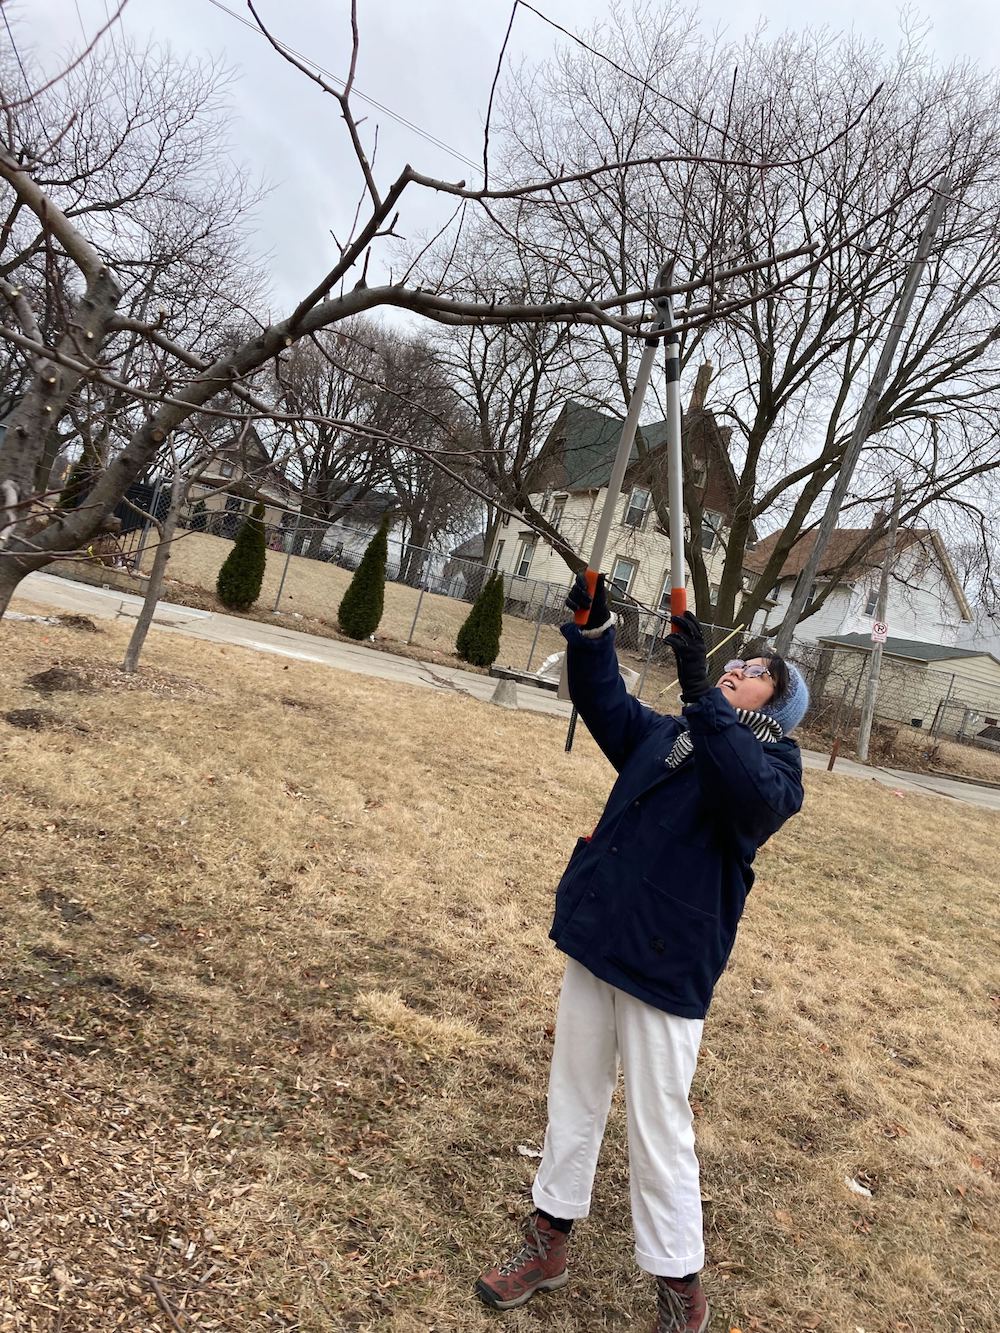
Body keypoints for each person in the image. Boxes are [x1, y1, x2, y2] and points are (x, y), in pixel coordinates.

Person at [476, 574, 809, 1332]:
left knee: (659, 1129)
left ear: (779, 709)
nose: (739, 668)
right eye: (739, 661)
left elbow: (744, 793)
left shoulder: (776, 773)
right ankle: (548, 1240)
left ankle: (678, 1285)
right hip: (602, 937)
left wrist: (700, 689)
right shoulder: (672, 736)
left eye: (758, 672)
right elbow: (607, 706)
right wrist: (593, 633)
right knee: (574, 1098)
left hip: (666, 968)